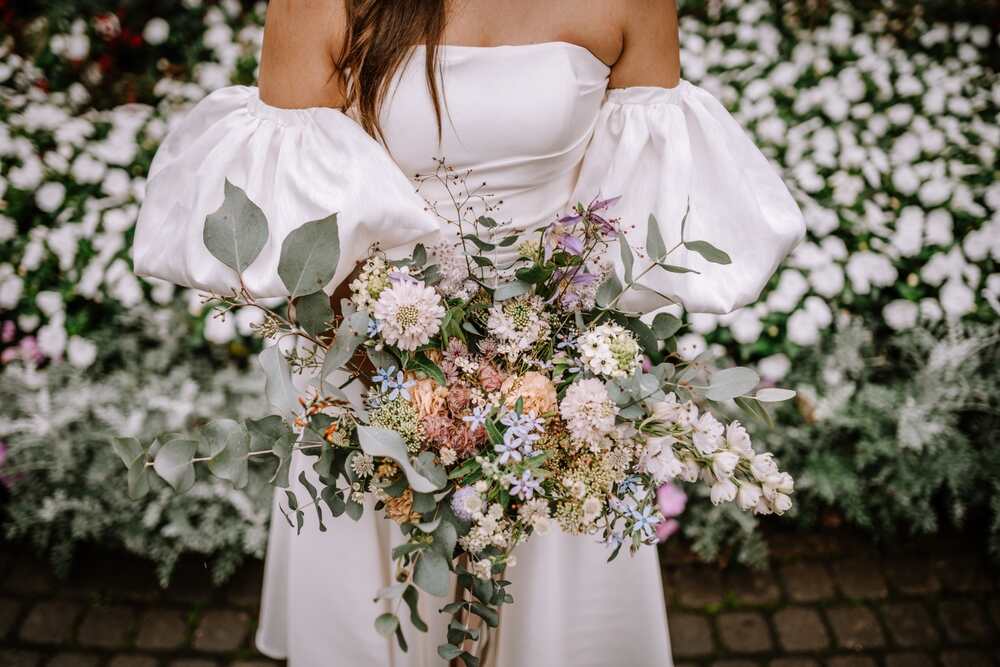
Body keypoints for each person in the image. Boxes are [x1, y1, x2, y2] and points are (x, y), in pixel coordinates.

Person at [132, 1, 805, 665]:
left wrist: (551, 374)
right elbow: (303, 210)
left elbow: (636, 199)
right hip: (374, 364)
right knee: (382, 608)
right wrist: (405, 387)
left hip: (555, 387)